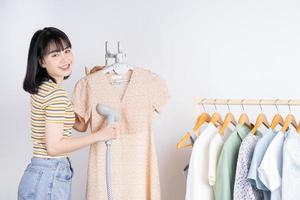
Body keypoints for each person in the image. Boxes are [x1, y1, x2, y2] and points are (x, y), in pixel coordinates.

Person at [18, 27, 120, 200]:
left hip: (41, 174)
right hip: (49, 175)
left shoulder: (44, 89)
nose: (65, 58)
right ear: (42, 61)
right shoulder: (55, 94)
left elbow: (80, 125)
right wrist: (100, 135)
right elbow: (54, 147)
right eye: (55, 54)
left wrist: (89, 85)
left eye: (67, 50)